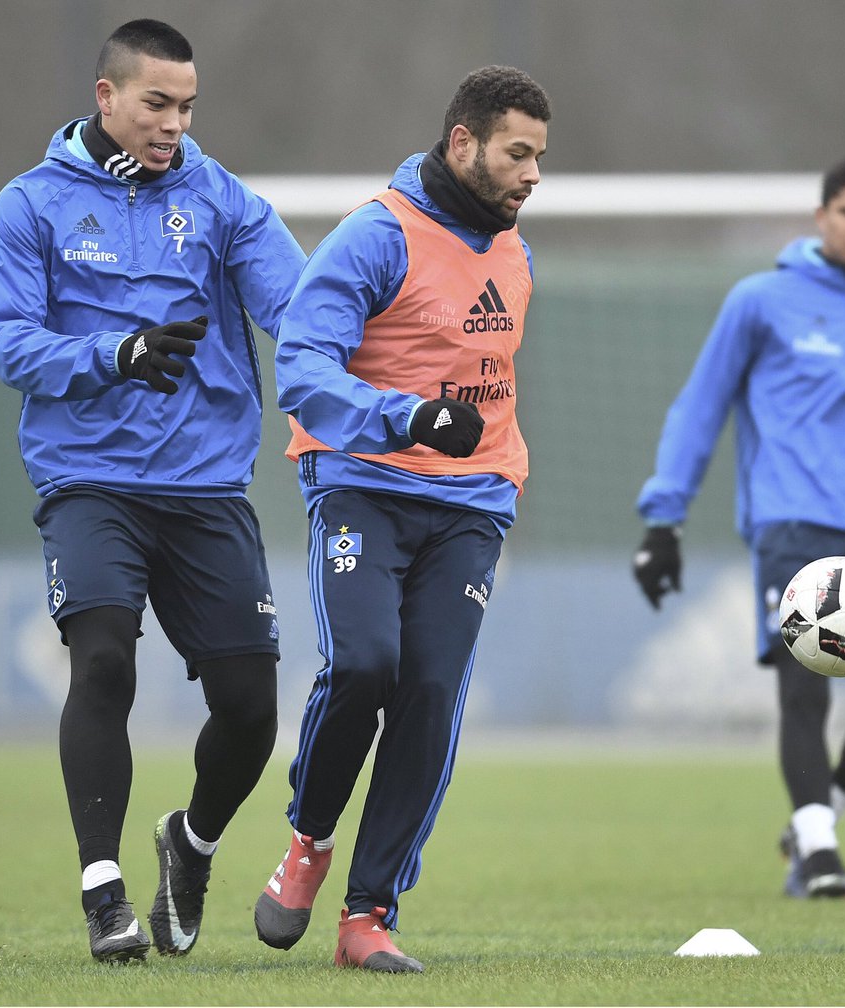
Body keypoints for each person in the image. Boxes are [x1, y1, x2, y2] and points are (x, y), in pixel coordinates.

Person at [0, 19, 305, 963]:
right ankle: (104, 891)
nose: (174, 123)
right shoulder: (30, 205)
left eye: (187, 105)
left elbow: (298, 307)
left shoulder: (222, 201)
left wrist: (378, 359)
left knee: (250, 708)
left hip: (206, 487)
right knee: (105, 662)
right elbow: (8, 342)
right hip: (90, 483)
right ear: (106, 97)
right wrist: (112, 354)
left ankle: (188, 845)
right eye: (156, 103)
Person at [253, 66, 551, 973]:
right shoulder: (373, 237)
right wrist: (408, 415)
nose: (533, 175)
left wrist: (476, 453)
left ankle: (368, 915)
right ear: (463, 144)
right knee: (366, 664)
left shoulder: (517, 253)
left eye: (541, 157)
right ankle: (307, 840)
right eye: (518, 153)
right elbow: (301, 367)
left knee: (430, 691)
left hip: (471, 501)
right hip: (363, 483)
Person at [633, 156, 845, 899]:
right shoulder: (760, 301)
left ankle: (816, 821)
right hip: (793, 527)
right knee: (807, 691)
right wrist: (662, 520)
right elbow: (698, 409)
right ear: (823, 215)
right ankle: (822, 855)